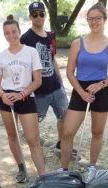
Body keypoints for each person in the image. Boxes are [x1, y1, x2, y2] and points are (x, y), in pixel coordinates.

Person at [59, 3, 108, 181]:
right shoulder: (77, 43)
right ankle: (63, 170)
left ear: (104, 20)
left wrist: (101, 84)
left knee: (97, 132)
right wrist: (81, 92)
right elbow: (70, 73)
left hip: (101, 91)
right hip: (80, 90)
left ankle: (92, 167)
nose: (94, 22)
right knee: (67, 132)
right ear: (87, 21)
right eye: (91, 19)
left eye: (98, 18)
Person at [0, 14, 46, 182]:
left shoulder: (30, 52)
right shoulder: (1, 56)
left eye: (14, 31)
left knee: (33, 140)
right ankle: (21, 167)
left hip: (25, 96)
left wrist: (22, 94)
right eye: (7, 33)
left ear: (19, 31)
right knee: (12, 136)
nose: (11, 36)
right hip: (7, 98)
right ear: (4, 35)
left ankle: (43, 176)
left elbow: (38, 80)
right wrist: (3, 95)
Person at [20, 2, 76, 156]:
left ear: (45, 15)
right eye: (35, 14)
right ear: (30, 16)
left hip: (56, 87)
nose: (38, 17)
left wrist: (61, 82)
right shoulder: (25, 38)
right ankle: (36, 145)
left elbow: (52, 59)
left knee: (64, 117)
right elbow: (23, 66)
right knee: (34, 121)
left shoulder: (51, 36)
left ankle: (60, 144)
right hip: (39, 92)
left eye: (41, 13)